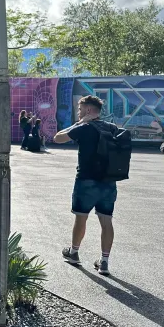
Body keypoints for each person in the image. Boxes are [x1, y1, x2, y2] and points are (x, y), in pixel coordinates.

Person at [52, 95, 117, 275]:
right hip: (109, 182)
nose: (79, 113)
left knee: (81, 218)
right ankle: (104, 262)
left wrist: (79, 123)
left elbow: (57, 138)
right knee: (106, 221)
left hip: (86, 181)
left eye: (80, 110)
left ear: (88, 110)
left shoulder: (84, 127)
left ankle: (74, 253)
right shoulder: (112, 128)